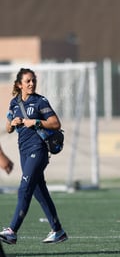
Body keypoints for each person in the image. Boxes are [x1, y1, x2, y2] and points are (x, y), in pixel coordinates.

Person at [0, 68, 68, 245]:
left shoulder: (40, 101)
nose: (31, 84)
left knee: (24, 188)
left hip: (38, 151)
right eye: (28, 81)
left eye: (33, 80)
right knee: (40, 192)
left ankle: (12, 230)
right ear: (19, 84)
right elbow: (7, 128)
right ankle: (58, 230)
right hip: (23, 152)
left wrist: (36, 121)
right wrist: (13, 124)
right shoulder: (14, 103)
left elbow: (55, 123)